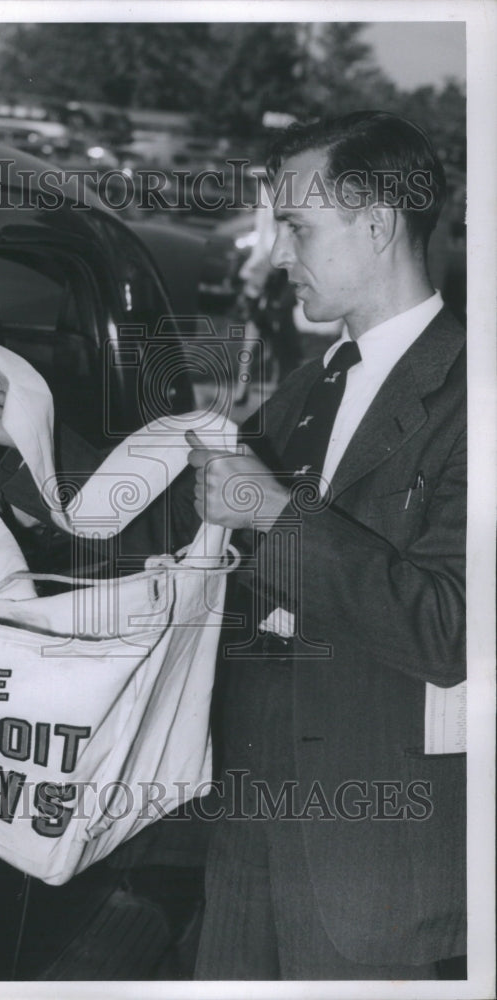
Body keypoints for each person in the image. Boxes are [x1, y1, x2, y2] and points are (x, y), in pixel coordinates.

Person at [187, 111, 465, 979]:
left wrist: (274, 517)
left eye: (298, 227)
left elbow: (452, 631)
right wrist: (22, 444)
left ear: (376, 225)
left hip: (371, 863)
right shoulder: (316, 380)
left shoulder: (473, 396)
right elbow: (197, 518)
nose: (277, 254)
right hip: (249, 813)